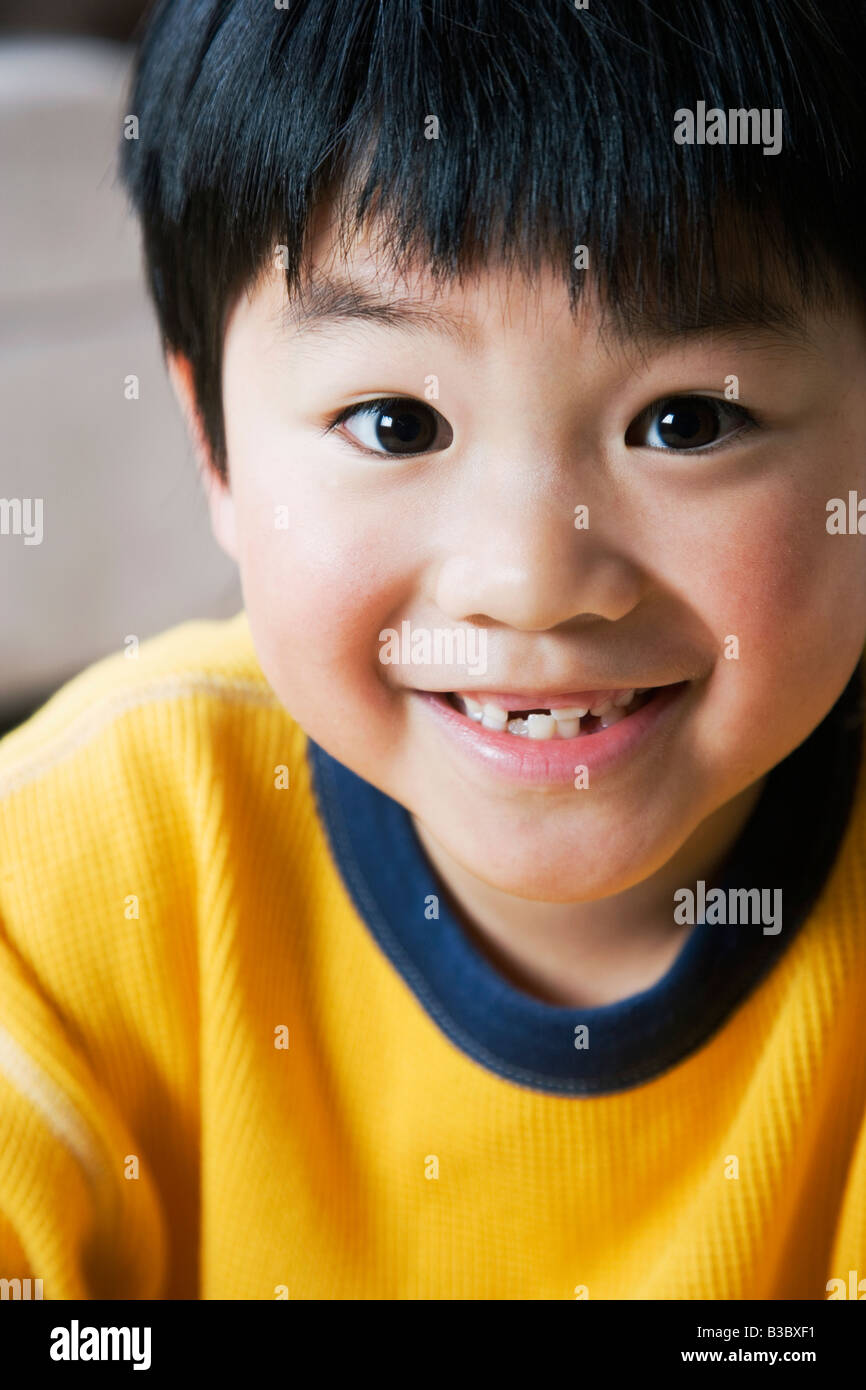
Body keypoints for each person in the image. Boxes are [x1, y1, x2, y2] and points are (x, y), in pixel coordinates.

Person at [1, 0, 865, 1300]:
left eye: (685, 421)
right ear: (213, 443)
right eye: (395, 422)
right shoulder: (70, 869)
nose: (530, 581)